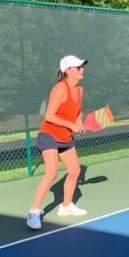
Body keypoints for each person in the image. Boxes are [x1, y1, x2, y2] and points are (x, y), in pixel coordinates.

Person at [27, 55, 89, 230]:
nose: (82, 69)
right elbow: (49, 116)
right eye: (78, 67)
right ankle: (33, 212)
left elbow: (77, 111)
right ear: (67, 70)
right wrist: (72, 125)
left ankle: (66, 206)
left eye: (82, 66)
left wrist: (78, 124)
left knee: (75, 170)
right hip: (49, 135)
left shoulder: (79, 90)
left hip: (65, 137)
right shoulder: (60, 89)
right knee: (51, 173)